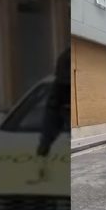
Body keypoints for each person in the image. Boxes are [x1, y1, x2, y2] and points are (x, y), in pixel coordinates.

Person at [35, 48, 69, 181]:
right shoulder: (59, 88)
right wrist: (44, 146)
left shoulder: (59, 86)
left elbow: (52, 113)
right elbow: (52, 114)